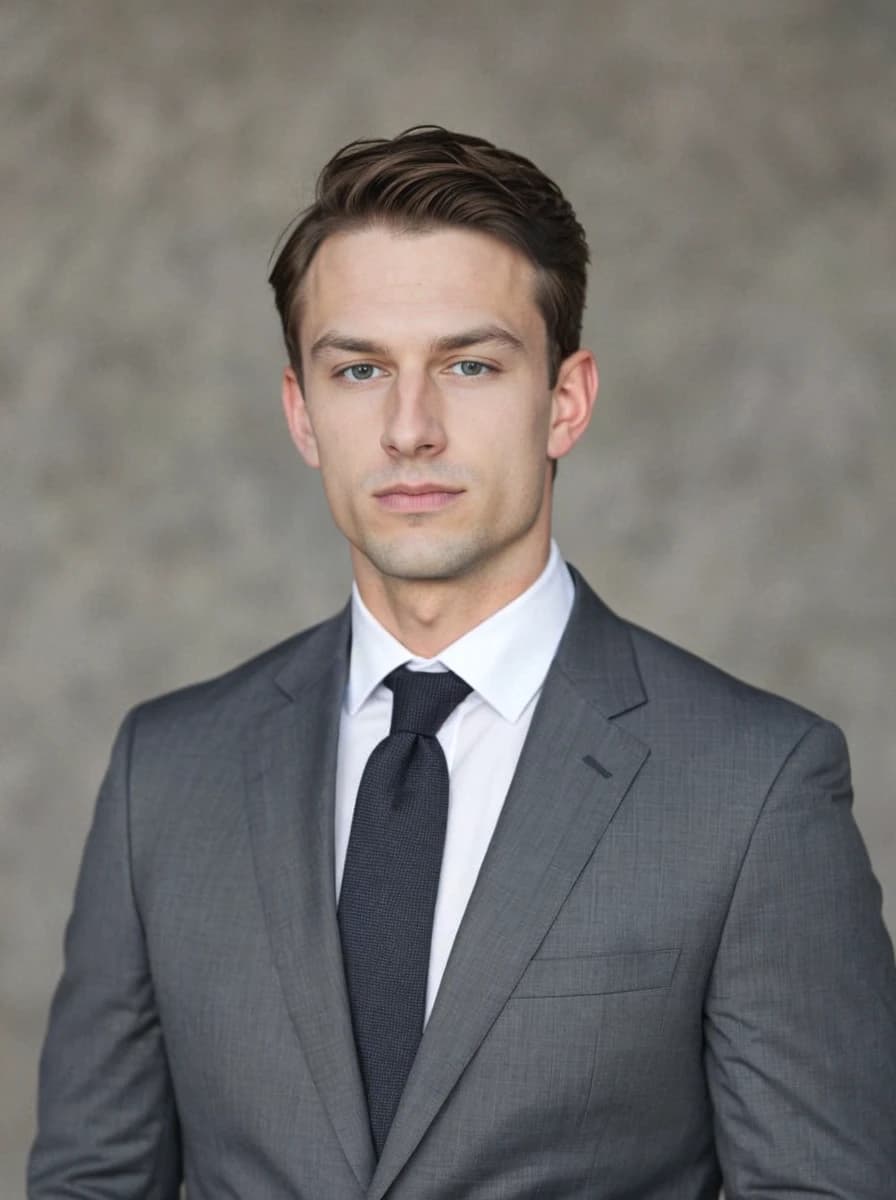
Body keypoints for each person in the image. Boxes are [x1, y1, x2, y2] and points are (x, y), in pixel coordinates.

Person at [29, 126, 896, 1200]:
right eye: (358, 370)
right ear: (301, 411)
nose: (408, 428)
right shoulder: (163, 773)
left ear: (564, 401)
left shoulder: (754, 787)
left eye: (469, 365)